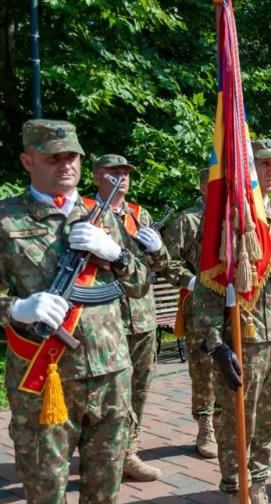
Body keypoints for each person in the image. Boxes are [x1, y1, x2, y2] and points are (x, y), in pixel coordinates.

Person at [0, 119, 150, 504]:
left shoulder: (100, 216)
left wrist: (116, 254)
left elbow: (140, 284)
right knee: (45, 494)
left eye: (73, 156)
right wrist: (16, 309)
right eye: (54, 157)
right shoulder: (7, 220)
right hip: (45, 380)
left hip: (112, 374)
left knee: (105, 492)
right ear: (28, 161)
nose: (66, 165)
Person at [194, 139, 271, 504]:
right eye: (264, 164)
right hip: (239, 339)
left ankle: (258, 497)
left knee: (266, 424)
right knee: (235, 428)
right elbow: (206, 287)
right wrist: (215, 343)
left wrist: (265, 256)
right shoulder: (225, 220)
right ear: (245, 170)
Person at [88, 154, 170, 482]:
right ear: (96, 176)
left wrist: (159, 249)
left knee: (138, 390)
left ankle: (129, 451)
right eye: (113, 172)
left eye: (125, 172)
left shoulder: (140, 214)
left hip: (143, 317)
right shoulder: (87, 212)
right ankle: (104, 453)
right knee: (108, 394)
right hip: (107, 320)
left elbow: (158, 266)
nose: (122, 177)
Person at [162, 167, 217, 459]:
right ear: (203, 186)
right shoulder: (188, 220)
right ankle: (205, 425)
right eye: (213, 183)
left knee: (229, 365)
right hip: (200, 308)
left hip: (231, 304)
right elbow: (166, 260)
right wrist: (189, 280)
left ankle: (224, 421)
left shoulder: (234, 217)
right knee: (203, 368)